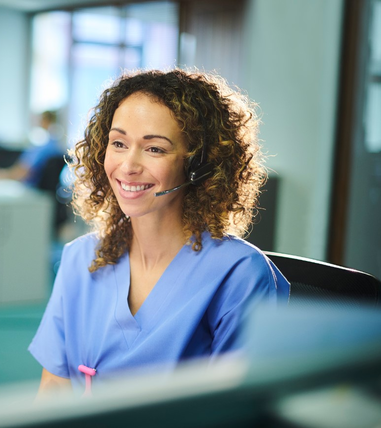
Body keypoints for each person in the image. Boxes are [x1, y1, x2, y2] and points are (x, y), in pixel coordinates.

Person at [28, 69, 290, 398]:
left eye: (154, 149)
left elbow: (237, 412)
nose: (128, 166)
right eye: (119, 143)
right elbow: (53, 389)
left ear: (200, 165)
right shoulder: (80, 258)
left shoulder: (239, 275)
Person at [0, 110, 66, 187]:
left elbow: (22, 173)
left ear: (46, 121)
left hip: (31, 191)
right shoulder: (56, 146)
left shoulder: (43, 148)